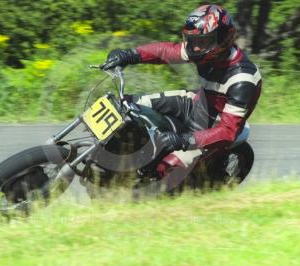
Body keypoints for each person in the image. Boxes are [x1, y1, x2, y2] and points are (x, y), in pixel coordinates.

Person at [101, 4, 262, 182]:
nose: (196, 47)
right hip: (193, 104)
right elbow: (165, 51)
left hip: (214, 129)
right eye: (193, 41)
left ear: (223, 39)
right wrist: (129, 54)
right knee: (126, 106)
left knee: (163, 173)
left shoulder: (242, 79)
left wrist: (183, 140)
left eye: (203, 41)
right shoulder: (201, 50)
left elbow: (227, 131)